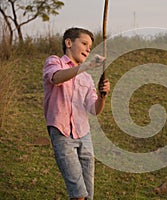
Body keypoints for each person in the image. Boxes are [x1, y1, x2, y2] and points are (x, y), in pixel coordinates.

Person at [42, 27, 110, 200]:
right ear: (69, 43)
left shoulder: (86, 78)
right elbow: (56, 78)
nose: (88, 49)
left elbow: (94, 110)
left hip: (84, 134)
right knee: (78, 193)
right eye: (84, 43)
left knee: (88, 194)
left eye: (90, 46)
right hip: (62, 133)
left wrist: (103, 96)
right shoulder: (55, 62)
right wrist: (86, 66)